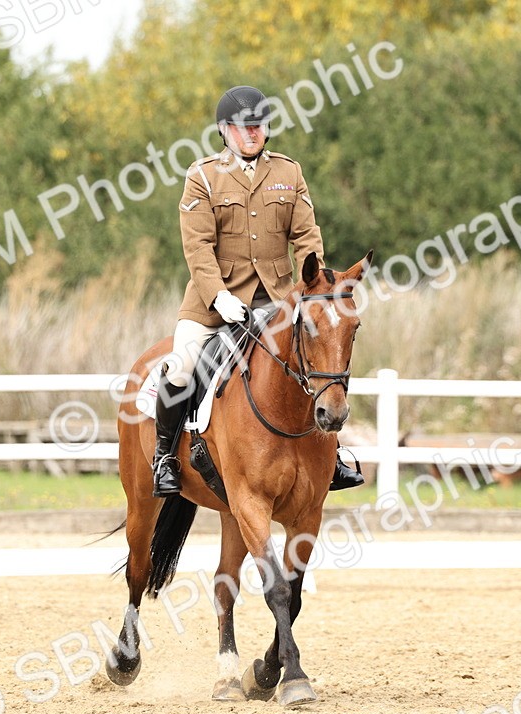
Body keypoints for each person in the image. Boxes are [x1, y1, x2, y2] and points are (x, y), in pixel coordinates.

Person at [151, 84, 364, 497]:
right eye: (244, 127)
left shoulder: (289, 172)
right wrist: (220, 297)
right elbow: (197, 248)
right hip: (215, 304)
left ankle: (330, 455)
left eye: (259, 126)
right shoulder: (203, 177)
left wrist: (315, 281)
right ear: (224, 130)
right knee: (180, 365)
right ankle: (165, 458)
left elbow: (306, 235)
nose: (253, 133)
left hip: (281, 298)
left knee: (316, 356)